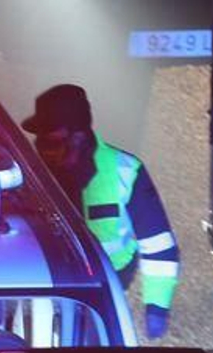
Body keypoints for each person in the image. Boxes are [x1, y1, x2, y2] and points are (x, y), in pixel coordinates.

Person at [21, 84, 180, 339]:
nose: (43, 150)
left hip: (105, 289)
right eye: (40, 141)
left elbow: (158, 246)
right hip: (46, 287)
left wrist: (157, 308)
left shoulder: (125, 172)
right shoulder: (28, 174)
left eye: (51, 142)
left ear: (78, 137)